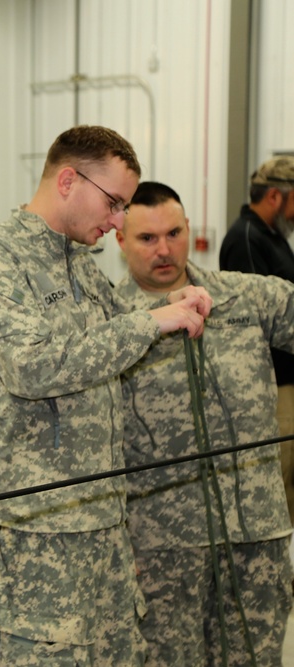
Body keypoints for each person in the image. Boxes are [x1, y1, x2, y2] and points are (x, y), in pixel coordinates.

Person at [0, 125, 211, 665]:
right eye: (114, 203)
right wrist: (151, 324)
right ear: (68, 179)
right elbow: (30, 365)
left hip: (102, 517)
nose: (118, 221)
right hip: (38, 525)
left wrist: (175, 305)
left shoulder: (78, 262)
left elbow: (115, 331)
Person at [117, 181, 294, 665]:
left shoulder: (243, 298)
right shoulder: (108, 324)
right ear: (119, 241)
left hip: (255, 535)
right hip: (161, 546)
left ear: (189, 229)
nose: (164, 249)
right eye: (146, 238)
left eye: (174, 233)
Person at [219, 155, 294, 527]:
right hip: (272, 384)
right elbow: (253, 325)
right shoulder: (246, 239)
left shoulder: (273, 237)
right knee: (279, 482)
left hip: (287, 380)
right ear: (277, 198)